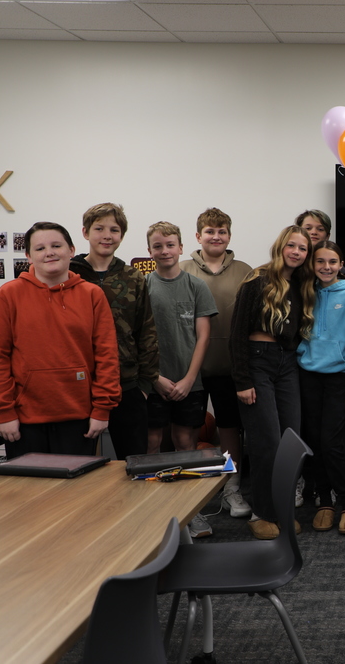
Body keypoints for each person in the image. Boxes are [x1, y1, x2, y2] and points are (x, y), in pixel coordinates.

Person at [0, 222, 121, 457]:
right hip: (23, 420)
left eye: (56, 245)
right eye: (40, 248)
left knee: (76, 491)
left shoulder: (92, 295)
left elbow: (107, 356)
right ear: (29, 256)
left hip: (80, 418)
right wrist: (4, 412)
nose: (50, 252)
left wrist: (102, 409)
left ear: (72, 250)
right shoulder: (8, 295)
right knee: (29, 492)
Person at [230, 225, 315, 539]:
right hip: (257, 362)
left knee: (292, 440)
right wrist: (242, 380)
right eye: (291, 246)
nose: (296, 252)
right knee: (267, 443)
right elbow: (237, 332)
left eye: (302, 248)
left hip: (287, 363)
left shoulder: (301, 284)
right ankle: (261, 513)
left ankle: (282, 511)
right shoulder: (257, 279)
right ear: (280, 247)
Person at [179, 207, 253, 519]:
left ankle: (232, 489)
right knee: (188, 432)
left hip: (228, 366)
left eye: (222, 232)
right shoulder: (182, 269)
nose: (216, 236)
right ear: (198, 236)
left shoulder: (246, 271)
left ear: (229, 236)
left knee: (229, 429)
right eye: (210, 231)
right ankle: (190, 500)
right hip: (189, 369)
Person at [69, 203, 158, 460]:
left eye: (114, 229)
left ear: (121, 235)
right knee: (79, 462)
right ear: (85, 233)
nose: (107, 235)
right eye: (99, 228)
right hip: (79, 384)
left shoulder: (133, 277)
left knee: (134, 460)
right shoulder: (69, 273)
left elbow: (147, 331)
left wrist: (144, 384)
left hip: (127, 384)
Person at [145, 221, 218, 538]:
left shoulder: (196, 287)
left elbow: (203, 339)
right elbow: (136, 339)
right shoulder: (143, 286)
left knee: (185, 445)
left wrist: (189, 379)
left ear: (180, 246)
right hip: (152, 383)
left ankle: (191, 514)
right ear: (150, 250)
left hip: (191, 384)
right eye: (158, 246)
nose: (165, 251)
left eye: (170, 244)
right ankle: (152, 511)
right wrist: (156, 378)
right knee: (152, 445)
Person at [298, 240, 345, 534]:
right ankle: (324, 500)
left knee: (332, 442)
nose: (326, 267)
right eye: (320, 262)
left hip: (340, 378)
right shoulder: (304, 293)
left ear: (341, 265)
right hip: (307, 377)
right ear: (312, 265)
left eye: (332, 262)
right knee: (313, 441)